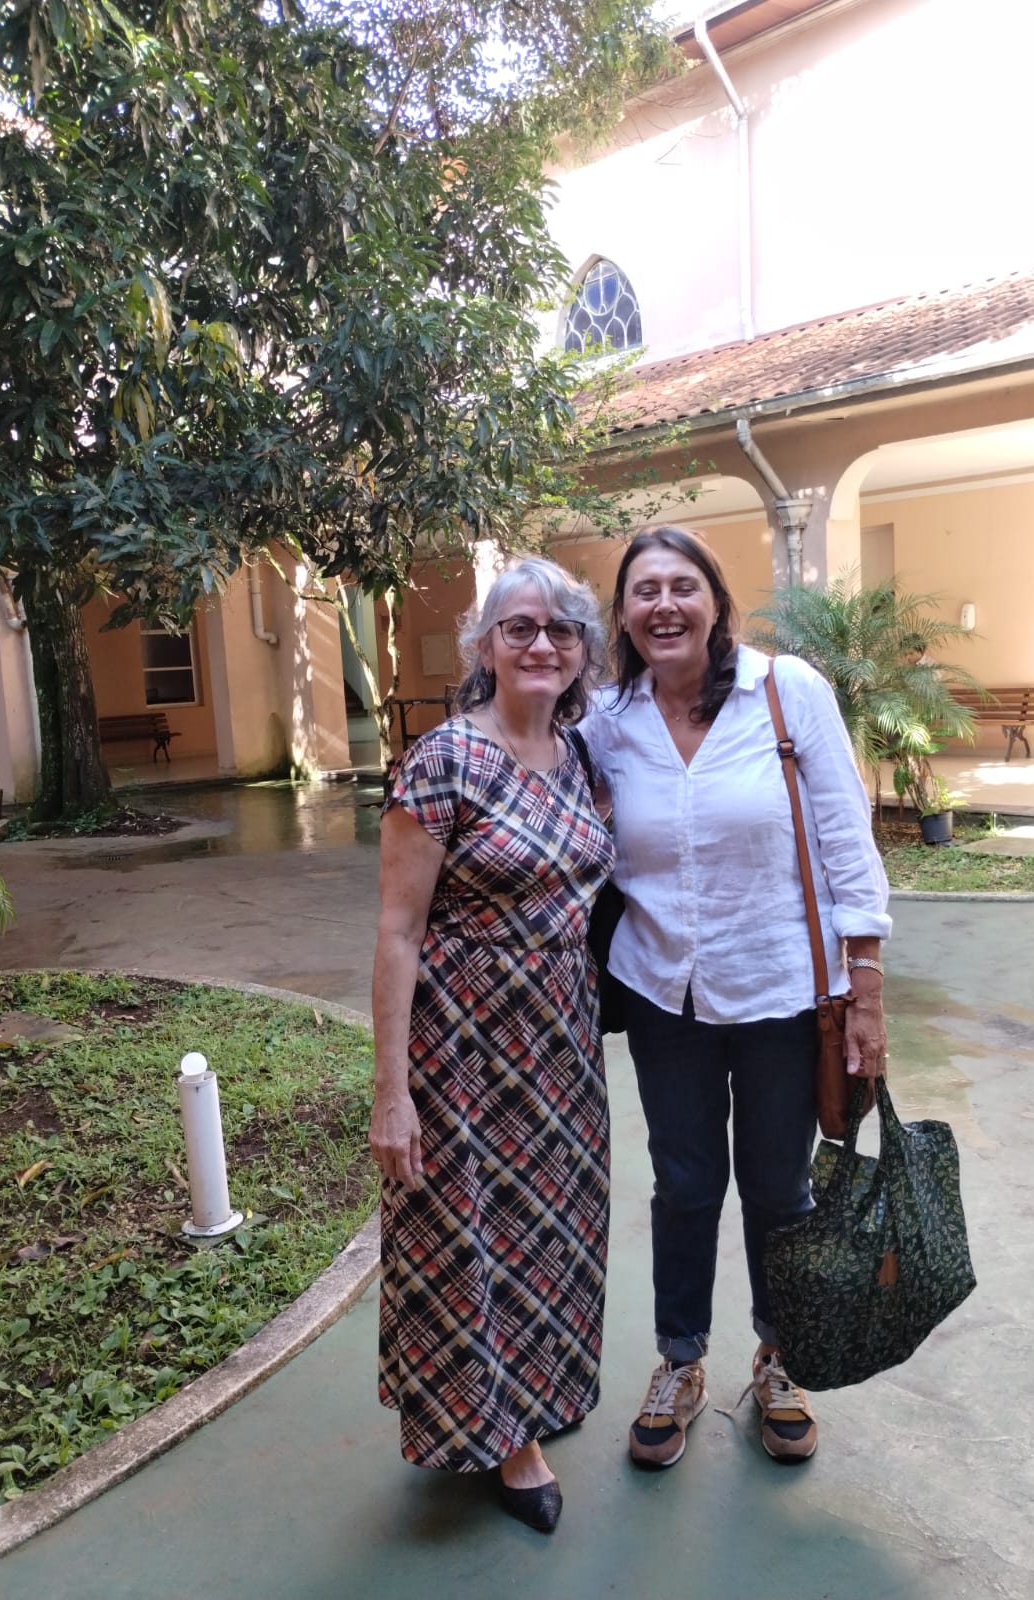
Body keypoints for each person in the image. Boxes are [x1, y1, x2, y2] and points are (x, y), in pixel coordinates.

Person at [579, 526, 891, 1469]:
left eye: (683, 585)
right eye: (644, 591)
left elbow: (846, 838)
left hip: (780, 990)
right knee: (683, 1186)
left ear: (715, 600)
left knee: (778, 1189)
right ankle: (680, 1361)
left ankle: (779, 1356)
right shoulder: (608, 718)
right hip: (661, 990)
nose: (664, 605)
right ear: (623, 616)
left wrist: (866, 988)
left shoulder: (785, 691)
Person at [369, 557, 614, 1533]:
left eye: (561, 629)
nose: (541, 643)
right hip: (462, 1041)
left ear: (583, 649)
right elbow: (397, 931)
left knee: (555, 1227)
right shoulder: (444, 760)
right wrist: (392, 1092)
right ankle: (507, 1438)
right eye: (519, 627)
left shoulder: (578, 754)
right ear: (485, 646)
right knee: (472, 1234)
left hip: (561, 1036)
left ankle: (538, 1389)